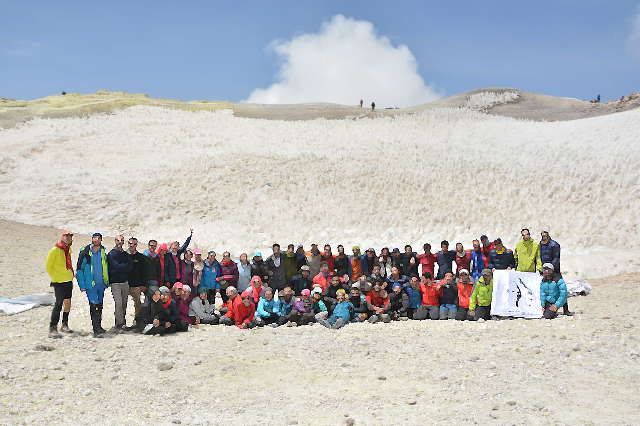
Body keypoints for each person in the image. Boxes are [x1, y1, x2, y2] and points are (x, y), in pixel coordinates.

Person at [77, 233, 110, 337]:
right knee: (94, 305)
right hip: (90, 285)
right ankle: (95, 329)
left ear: (101, 240)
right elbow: (79, 269)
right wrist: (82, 285)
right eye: (94, 238)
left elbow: (106, 266)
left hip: (101, 284)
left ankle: (99, 326)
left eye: (98, 238)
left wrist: (107, 281)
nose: (96, 240)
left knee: (100, 305)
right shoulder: (85, 252)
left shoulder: (103, 251)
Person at [45, 230, 75, 338]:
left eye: (70, 237)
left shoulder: (68, 250)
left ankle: (64, 324)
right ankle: (53, 327)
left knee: (68, 303)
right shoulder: (55, 250)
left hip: (68, 280)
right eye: (66, 236)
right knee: (58, 304)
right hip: (59, 281)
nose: (68, 238)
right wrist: (55, 276)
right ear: (62, 237)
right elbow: (48, 265)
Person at [107, 235, 133, 331]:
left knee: (124, 303)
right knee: (118, 303)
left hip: (124, 281)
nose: (120, 242)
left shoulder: (126, 254)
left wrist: (120, 267)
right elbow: (115, 266)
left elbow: (130, 267)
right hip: (115, 283)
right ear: (115, 241)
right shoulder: (111, 254)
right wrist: (123, 267)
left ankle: (122, 322)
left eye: (122, 240)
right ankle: (118, 323)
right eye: (118, 240)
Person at [126, 237, 146, 329]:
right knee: (122, 305)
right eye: (130, 243)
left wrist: (143, 284)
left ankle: (137, 322)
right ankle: (121, 323)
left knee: (137, 304)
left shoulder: (140, 257)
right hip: (124, 284)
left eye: (134, 244)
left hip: (136, 285)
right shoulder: (123, 255)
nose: (132, 245)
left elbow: (144, 272)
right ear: (128, 243)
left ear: (137, 245)